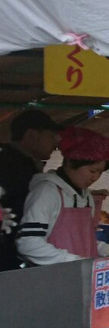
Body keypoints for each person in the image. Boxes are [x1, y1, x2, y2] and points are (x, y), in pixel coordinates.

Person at [16, 126, 109, 266]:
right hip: (53, 280)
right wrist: (71, 261)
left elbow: (85, 242)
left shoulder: (86, 197)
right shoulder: (47, 193)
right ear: (70, 161)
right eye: (92, 171)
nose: (95, 177)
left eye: (100, 172)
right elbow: (28, 243)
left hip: (82, 278)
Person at [0, 109, 63, 271]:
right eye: (51, 135)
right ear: (31, 136)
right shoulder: (14, 167)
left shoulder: (18, 161)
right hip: (8, 258)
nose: (56, 142)